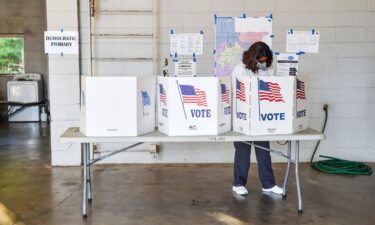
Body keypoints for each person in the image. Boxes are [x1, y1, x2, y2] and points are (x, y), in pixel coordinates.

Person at [231, 41, 283, 196]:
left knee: (264, 152)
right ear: (253, 58)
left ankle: (268, 184)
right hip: (243, 116)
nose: (264, 63)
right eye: (261, 61)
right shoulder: (240, 70)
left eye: (266, 60)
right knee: (243, 152)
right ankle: (238, 183)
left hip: (261, 117)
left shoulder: (268, 69)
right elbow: (238, 94)